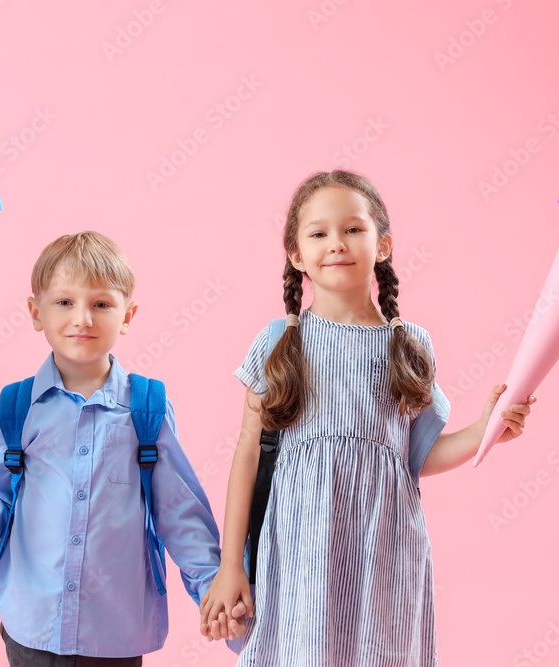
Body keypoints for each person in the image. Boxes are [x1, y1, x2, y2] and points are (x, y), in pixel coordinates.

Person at [198, 171, 537, 666]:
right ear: (296, 255)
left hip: (386, 548)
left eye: (353, 229)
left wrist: (486, 429)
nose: (336, 243)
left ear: (383, 245)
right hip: (299, 549)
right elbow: (248, 454)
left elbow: (414, 457)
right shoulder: (278, 342)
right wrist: (232, 565)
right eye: (318, 233)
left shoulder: (409, 345)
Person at [0, 231, 221, 666]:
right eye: (64, 302)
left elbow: (178, 514)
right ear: (35, 312)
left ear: (128, 315)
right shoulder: (17, 407)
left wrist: (212, 586)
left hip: (115, 634)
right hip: (31, 628)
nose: (83, 318)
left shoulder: (147, 408)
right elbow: (4, 505)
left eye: (101, 304)